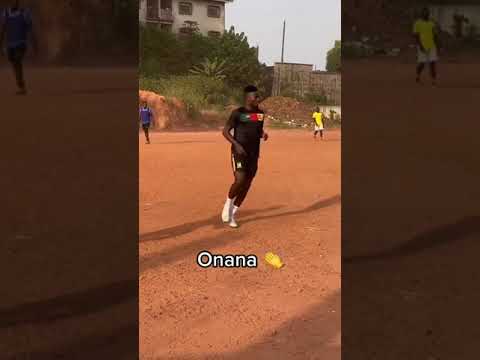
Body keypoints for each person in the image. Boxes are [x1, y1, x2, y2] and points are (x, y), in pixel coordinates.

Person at [221, 85, 269, 228]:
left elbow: (258, 130)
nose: (258, 99)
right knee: (240, 180)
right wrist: (236, 145)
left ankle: (233, 214)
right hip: (239, 152)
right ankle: (228, 204)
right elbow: (225, 132)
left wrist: (263, 134)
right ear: (248, 98)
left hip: (254, 154)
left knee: (247, 184)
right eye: (256, 97)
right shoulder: (237, 113)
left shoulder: (260, 114)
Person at [0, 1, 36, 95]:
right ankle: (21, 85)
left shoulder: (24, 13)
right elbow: (2, 29)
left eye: (15, 1)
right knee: (15, 64)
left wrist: (34, 43)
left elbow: (30, 29)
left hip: (21, 44)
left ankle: (21, 85)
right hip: (10, 45)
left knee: (17, 61)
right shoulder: (6, 14)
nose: (13, 3)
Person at [413, 7, 439, 85]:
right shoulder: (417, 23)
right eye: (424, 12)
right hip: (422, 46)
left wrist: (439, 45)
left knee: (432, 63)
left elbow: (435, 35)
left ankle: (433, 80)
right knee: (422, 64)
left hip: (432, 46)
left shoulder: (432, 23)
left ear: (428, 13)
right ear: (421, 14)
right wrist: (420, 45)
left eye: (427, 12)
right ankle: (418, 75)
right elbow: (416, 36)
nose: (426, 14)